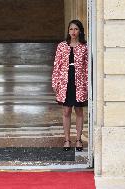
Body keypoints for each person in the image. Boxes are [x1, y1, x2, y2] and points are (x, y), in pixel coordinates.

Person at [51, 20, 88, 152]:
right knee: (66, 111)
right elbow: (57, 65)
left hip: (79, 81)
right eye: (71, 29)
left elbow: (87, 67)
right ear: (68, 31)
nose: (73, 32)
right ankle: (67, 139)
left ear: (80, 31)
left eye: (76, 29)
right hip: (64, 81)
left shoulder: (84, 47)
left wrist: (88, 84)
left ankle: (78, 139)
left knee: (79, 111)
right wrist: (55, 82)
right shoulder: (62, 46)